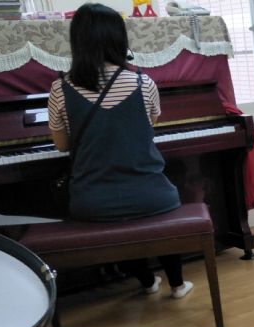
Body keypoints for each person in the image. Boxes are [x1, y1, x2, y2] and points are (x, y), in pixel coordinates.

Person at [47, 3, 192, 298]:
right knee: (158, 205)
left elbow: (62, 145)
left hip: (92, 201)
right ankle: (177, 284)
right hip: (150, 194)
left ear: (77, 42)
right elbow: (147, 129)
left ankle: (147, 281)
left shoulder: (59, 89)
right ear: (119, 39)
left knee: (113, 220)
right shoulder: (143, 82)